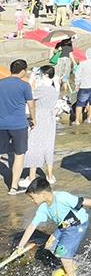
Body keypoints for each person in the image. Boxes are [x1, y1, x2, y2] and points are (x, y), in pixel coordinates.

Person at [14, 177, 91, 276]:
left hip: (77, 224)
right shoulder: (43, 208)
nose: (32, 201)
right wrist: (20, 246)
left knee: (63, 253)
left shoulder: (62, 197)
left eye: (32, 197)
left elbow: (82, 201)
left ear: (43, 195)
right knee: (50, 244)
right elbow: (32, 226)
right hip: (64, 225)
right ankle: (71, 265)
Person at [0, 60, 36, 194]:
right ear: (23, 71)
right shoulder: (25, 85)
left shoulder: (0, 83)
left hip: (1, 124)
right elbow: (31, 105)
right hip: (18, 125)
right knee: (19, 154)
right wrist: (34, 119)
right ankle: (14, 187)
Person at [22, 66, 59, 187]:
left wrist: (32, 79)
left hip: (40, 117)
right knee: (49, 144)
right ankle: (50, 175)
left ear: (45, 75)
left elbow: (29, 95)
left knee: (34, 145)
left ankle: (31, 177)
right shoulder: (54, 89)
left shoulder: (43, 89)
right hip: (50, 118)